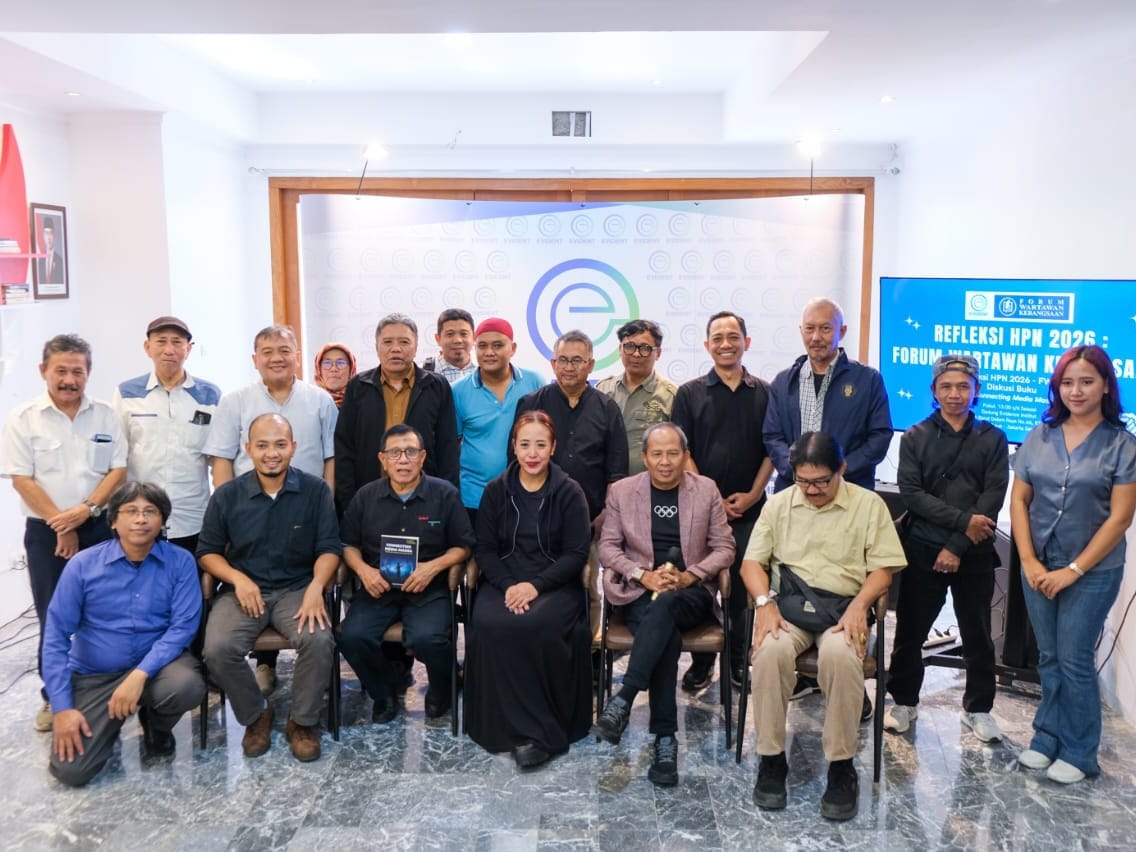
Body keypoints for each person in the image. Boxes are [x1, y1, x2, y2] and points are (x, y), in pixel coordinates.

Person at [741, 432, 904, 821]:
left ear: (841, 470)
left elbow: (883, 570)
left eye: (821, 481)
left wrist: (860, 607)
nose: (812, 490)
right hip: (789, 610)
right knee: (769, 653)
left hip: (845, 608)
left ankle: (841, 766)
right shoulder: (779, 505)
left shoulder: (868, 505)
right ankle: (771, 758)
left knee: (841, 657)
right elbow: (751, 563)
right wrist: (764, 604)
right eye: (803, 481)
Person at [1010, 345, 1136, 784]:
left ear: (1105, 385)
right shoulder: (1038, 437)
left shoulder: (1122, 445)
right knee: (1048, 657)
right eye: (1067, 382)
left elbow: (1121, 518)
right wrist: (1028, 560)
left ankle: (1081, 753)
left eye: (1086, 381)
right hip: (1038, 566)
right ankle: (1046, 738)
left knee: (1075, 659)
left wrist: (1074, 570)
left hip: (1093, 572)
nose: (1076, 391)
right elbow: (1020, 500)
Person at [763, 297, 892, 703]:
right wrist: (798, 473)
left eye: (825, 328)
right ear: (801, 332)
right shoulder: (784, 380)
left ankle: (847, 676)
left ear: (842, 332)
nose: (816, 337)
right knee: (795, 576)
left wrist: (836, 474)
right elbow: (771, 436)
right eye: (809, 329)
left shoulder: (867, 380)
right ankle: (801, 672)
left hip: (847, 500)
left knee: (843, 580)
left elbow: (880, 436)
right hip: (792, 499)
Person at [592, 422, 734, 786]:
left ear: (686, 457)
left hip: (691, 593)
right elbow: (608, 546)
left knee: (667, 607)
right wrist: (641, 574)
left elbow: (725, 547)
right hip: (641, 592)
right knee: (663, 634)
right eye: (657, 454)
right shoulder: (624, 492)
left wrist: (691, 575)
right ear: (644, 458)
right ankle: (665, 740)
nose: (665, 462)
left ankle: (624, 699)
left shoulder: (706, 490)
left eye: (673, 453)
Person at [1, 334, 127, 732]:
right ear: (43, 371)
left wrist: (84, 512)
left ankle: (105, 688)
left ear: (88, 373)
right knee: (54, 614)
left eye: (78, 371)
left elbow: (118, 470)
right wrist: (62, 523)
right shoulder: (23, 419)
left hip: (98, 526)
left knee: (103, 611)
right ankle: (53, 697)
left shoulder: (106, 416)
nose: (69, 379)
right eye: (61, 370)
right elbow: (22, 479)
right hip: (45, 531)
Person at [198, 414, 341, 762]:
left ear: (293, 448)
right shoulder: (228, 495)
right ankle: (256, 714)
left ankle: (302, 721)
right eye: (262, 445)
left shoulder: (315, 490)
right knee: (217, 648)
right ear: (248, 449)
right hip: (243, 591)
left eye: (280, 444)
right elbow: (208, 553)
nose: (271, 453)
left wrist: (316, 587)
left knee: (319, 640)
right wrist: (237, 579)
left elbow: (329, 549)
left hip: (297, 588)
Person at [203, 324, 338, 695]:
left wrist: (324, 504)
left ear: (297, 355)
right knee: (221, 641)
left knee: (311, 625)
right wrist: (231, 510)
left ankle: (305, 712)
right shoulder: (235, 402)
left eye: (284, 350)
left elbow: (330, 459)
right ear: (255, 359)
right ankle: (259, 687)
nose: (276, 358)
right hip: (250, 512)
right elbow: (222, 460)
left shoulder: (320, 400)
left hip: (305, 509)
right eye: (267, 351)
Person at [44, 482, 205, 787]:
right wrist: (62, 707)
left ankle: (156, 725)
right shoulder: (82, 566)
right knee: (72, 771)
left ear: (162, 521)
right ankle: (107, 724)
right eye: (130, 511)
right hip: (95, 675)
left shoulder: (180, 562)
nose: (141, 519)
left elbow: (183, 627)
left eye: (150, 512)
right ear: (114, 521)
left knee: (186, 685)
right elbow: (55, 637)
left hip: (157, 670)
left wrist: (140, 674)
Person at [885, 355, 1009, 743]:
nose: (954, 394)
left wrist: (957, 543)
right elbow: (912, 494)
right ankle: (904, 702)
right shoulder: (916, 436)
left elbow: (991, 497)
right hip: (923, 548)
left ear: (976, 391)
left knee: (977, 634)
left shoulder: (993, 438)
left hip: (972, 553)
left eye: (963, 387)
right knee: (910, 629)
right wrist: (960, 526)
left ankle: (978, 709)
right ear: (934, 391)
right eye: (946, 387)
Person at [466, 411, 593, 769]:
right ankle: (500, 727)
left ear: (553, 447)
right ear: (514, 447)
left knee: (536, 626)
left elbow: (576, 554)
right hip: (503, 581)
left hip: (554, 582)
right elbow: (486, 550)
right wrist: (509, 586)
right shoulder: (495, 491)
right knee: (491, 624)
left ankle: (543, 733)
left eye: (540, 444)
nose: (532, 453)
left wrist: (534, 586)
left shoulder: (570, 492)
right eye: (525, 445)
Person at [338, 424, 474, 724]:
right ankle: (384, 691)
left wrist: (433, 567)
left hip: (428, 586)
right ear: (382, 459)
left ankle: (442, 688)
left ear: (423, 457)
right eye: (395, 453)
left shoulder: (444, 494)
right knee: (351, 636)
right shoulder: (366, 496)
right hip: (379, 588)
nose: (403, 460)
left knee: (428, 639)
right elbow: (348, 544)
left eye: (410, 452)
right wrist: (363, 570)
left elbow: (463, 546)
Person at [671, 311, 772, 690]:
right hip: (699, 509)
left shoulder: (765, 392)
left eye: (733, 336)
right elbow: (683, 451)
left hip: (751, 510)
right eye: (718, 337)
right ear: (706, 345)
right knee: (701, 584)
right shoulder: (690, 393)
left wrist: (755, 493)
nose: (725, 343)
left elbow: (771, 449)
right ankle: (702, 661)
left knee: (744, 588)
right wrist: (712, 497)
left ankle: (737, 661)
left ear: (747, 341)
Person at [113, 316, 221, 554]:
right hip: (140, 520)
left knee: (192, 588)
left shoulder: (210, 395)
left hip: (193, 517)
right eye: (161, 342)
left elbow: (218, 460)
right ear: (147, 347)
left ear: (188, 349)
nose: (169, 350)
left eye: (177, 342)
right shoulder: (127, 393)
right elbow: (117, 458)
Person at [335, 312, 460, 515]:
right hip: (368, 498)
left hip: (424, 500)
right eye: (387, 342)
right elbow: (345, 448)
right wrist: (349, 502)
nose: (395, 349)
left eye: (404, 342)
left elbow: (447, 449)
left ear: (416, 346)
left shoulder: (436, 387)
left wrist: (445, 500)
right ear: (377, 347)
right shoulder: (358, 387)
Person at [452, 317, 545, 526]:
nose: (489, 352)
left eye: (497, 345)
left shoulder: (535, 382)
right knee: (478, 556)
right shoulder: (458, 390)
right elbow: (453, 444)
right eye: (482, 346)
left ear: (512, 348)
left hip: (526, 493)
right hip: (474, 497)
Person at [596, 319, 677, 476]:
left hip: (650, 486)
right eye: (629, 346)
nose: (636, 354)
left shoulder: (671, 395)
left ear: (658, 353)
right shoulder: (603, 389)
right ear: (620, 349)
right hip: (606, 485)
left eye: (645, 348)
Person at [430, 308, 478, 384]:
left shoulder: (484, 369)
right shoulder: (425, 374)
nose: (457, 340)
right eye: (450, 334)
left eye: (463, 334)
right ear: (438, 339)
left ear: (474, 337)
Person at [313, 341, 357, 408]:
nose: (334, 369)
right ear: (319, 369)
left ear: (351, 369)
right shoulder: (309, 403)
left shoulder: (362, 402)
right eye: (327, 363)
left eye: (341, 363)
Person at [37, 217, 64, 285]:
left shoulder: (60, 261)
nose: (49, 238)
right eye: (46, 233)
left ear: (54, 235)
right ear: (43, 235)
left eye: (51, 233)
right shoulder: (40, 261)